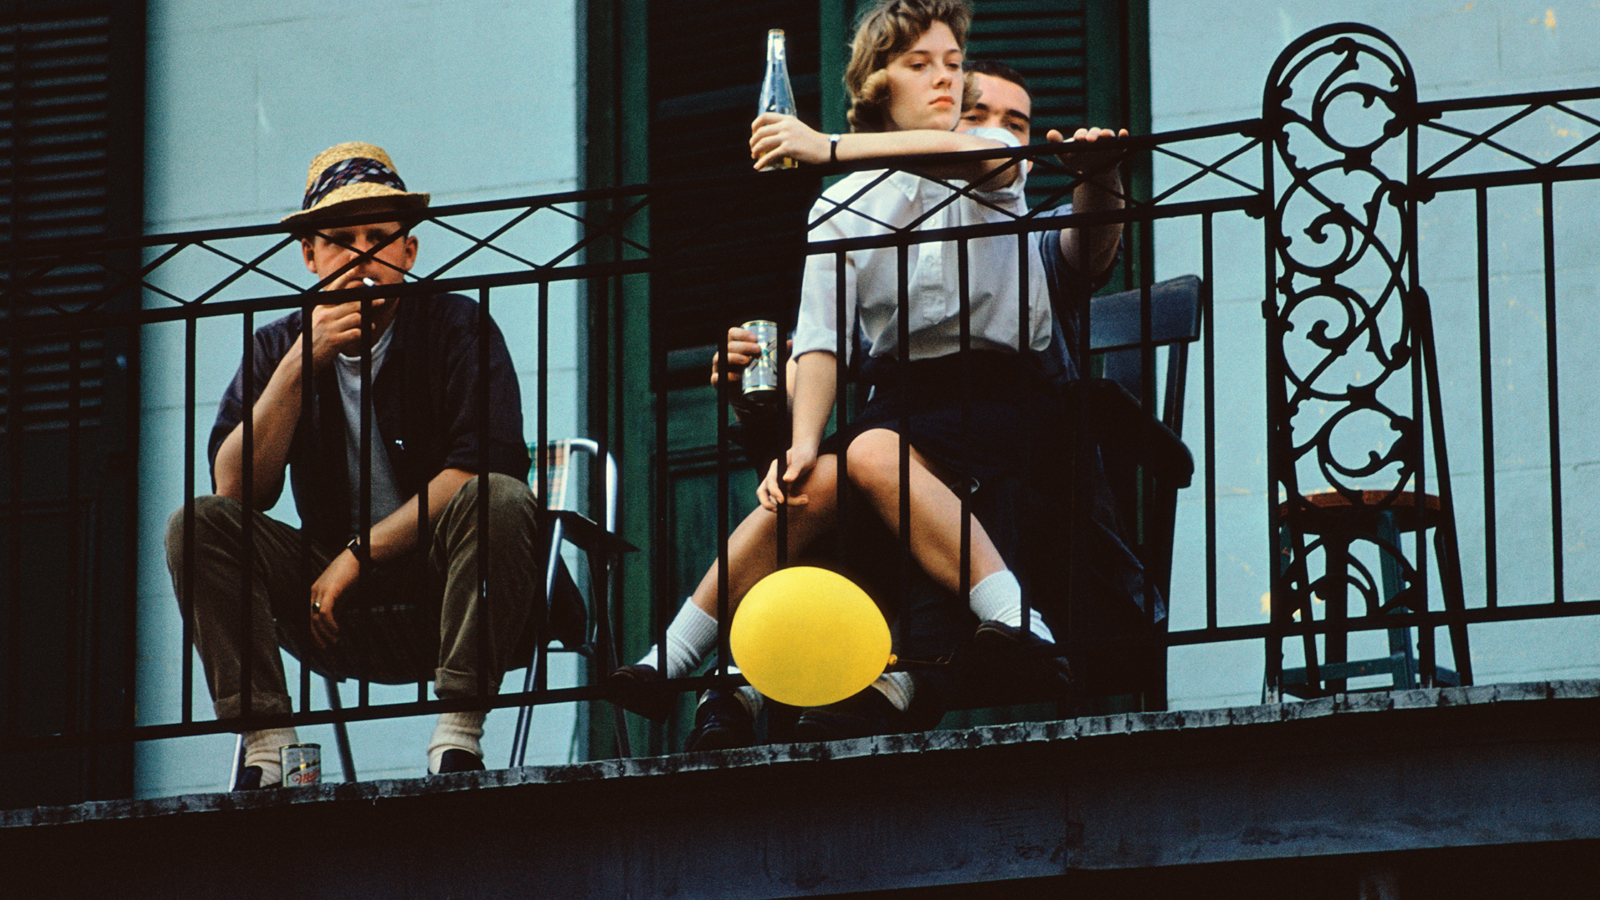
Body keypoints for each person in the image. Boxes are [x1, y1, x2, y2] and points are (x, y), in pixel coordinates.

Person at [614, 0, 1138, 748]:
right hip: (902, 402)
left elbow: (986, 158)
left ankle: (1018, 620)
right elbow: (820, 342)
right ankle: (674, 655)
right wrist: (799, 442)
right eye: (920, 65)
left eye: (953, 64)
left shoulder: (990, 157)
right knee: (814, 479)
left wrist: (822, 146)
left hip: (1000, 400)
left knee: (863, 450)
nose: (945, 81)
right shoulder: (842, 205)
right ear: (876, 82)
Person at [166, 142, 547, 789]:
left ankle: (457, 742)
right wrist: (298, 364)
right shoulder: (277, 345)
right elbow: (235, 491)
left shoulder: (456, 324)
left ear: (409, 251)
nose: (363, 256)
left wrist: (357, 555)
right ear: (310, 255)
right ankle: (270, 751)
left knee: (500, 497)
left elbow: (481, 467)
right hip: (330, 609)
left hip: (443, 583)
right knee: (197, 526)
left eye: (380, 237)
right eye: (341, 240)